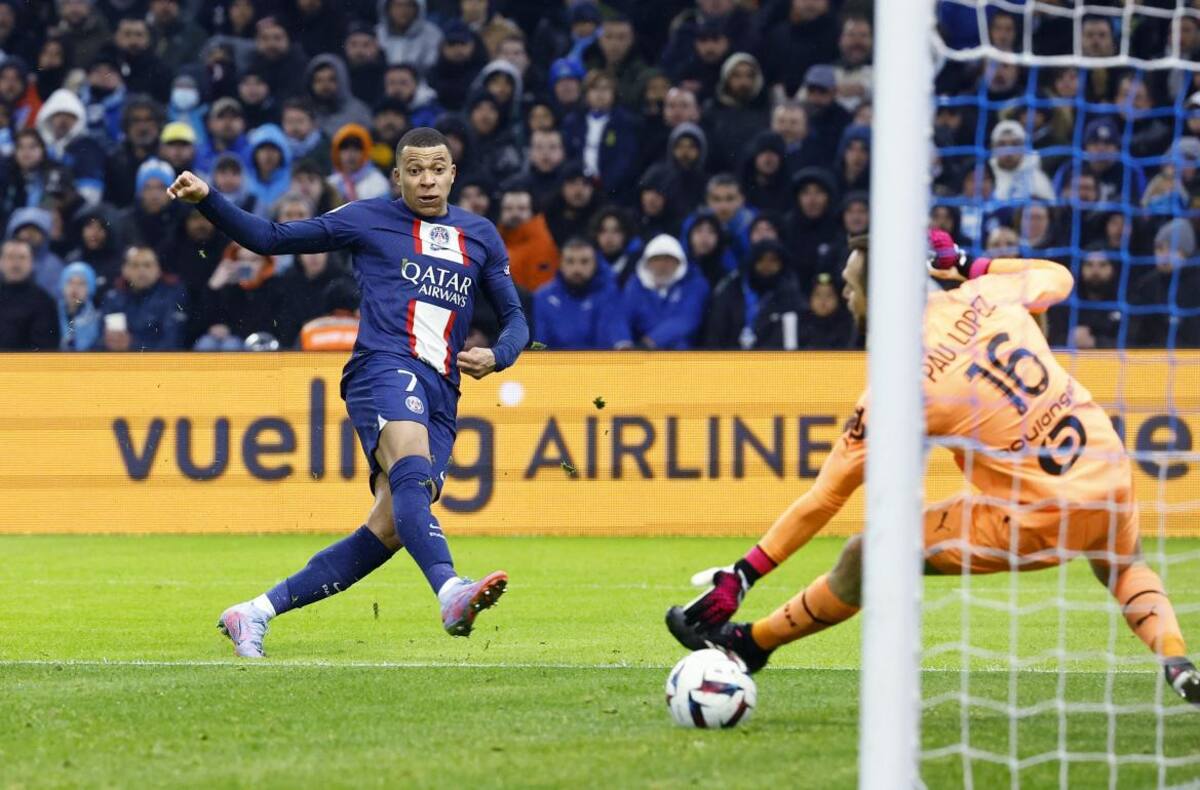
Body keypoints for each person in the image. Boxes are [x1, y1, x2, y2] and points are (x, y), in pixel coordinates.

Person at [664, 229, 1200, 711]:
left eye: (854, 286)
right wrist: (969, 264)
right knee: (1124, 566)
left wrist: (744, 573)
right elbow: (1057, 277)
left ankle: (751, 643)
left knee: (866, 555)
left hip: (1037, 516)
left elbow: (826, 497)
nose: (847, 295)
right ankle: (1175, 657)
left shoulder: (903, 385)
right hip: (1105, 466)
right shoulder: (986, 294)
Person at [168, 126, 528, 656]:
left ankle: (253, 613)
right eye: (414, 171)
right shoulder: (367, 218)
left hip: (443, 392)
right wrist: (210, 200)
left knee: (389, 528)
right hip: (382, 367)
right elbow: (271, 238)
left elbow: (517, 317)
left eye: (436, 169)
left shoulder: (480, 236)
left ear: (453, 173)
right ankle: (450, 590)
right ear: (397, 176)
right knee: (408, 463)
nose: (426, 181)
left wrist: (499, 356)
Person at [532, 237, 629, 350]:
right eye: (570, 261)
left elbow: (617, 335)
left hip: (599, 365)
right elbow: (539, 344)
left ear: (595, 264)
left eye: (585, 262)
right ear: (560, 264)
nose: (577, 269)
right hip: (555, 365)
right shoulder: (543, 296)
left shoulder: (609, 294)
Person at [621, 232, 708, 350]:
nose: (662, 265)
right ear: (647, 262)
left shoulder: (694, 283)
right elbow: (623, 317)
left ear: (679, 261)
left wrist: (650, 342)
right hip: (639, 354)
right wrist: (623, 343)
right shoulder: (635, 285)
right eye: (656, 259)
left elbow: (687, 319)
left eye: (668, 259)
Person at [97, 245, 188, 351]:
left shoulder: (173, 296)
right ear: (125, 270)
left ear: (158, 270)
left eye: (147, 265)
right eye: (135, 265)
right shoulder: (112, 298)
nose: (141, 270)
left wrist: (132, 346)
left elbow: (172, 342)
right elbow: (101, 339)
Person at [0, 238, 58, 351]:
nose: (16, 264)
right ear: (1, 261)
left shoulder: (44, 302)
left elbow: (44, 347)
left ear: (32, 262)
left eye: (22, 258)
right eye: (10, 257)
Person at [57, 260, 103, 351]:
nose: (75, 288)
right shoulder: (50, 313)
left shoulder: (98, 318)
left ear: (90, 288)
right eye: (70, 282)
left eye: (81, 283)